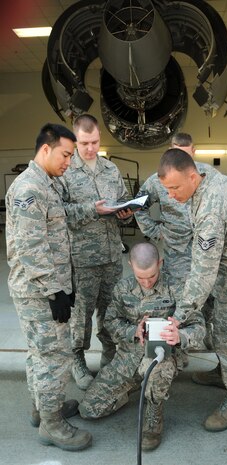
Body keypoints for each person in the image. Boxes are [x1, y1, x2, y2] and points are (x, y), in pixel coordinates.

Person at [157, 148, 227, 432]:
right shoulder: (199, 174)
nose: (171, 196)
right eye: (167, 189)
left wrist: (179, 316)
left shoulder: (212, 209)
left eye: (175, 188)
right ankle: (222, 372)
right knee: (216, 328)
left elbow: (203, 271)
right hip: (220, 271)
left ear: (193, 177)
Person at [5, 123, 92, 451]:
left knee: (39, 354)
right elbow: (31, 249)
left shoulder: (47, 183)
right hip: (40, 291)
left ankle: (42, 408)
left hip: (45, 286)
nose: (70, 161)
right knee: (53, 356)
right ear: (46, 149)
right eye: (66, 154)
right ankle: (52, 425)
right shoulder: (30, 188)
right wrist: (55, 292)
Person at [78, 242, 205, 450]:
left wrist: (180, 335)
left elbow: (199, 326)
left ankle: (154, 415)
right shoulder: (122, 288)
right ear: (130, 265)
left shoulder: (177, 288)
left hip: (164, 356)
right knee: (89, 410)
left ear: (160, 264)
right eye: (140, 277)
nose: (147, 283)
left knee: (156, 371)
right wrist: (132, 331)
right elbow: (110, 321)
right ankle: (133, 386)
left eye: (152, 276)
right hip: (128, 358)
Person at [56, 114, 133, 390]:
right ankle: (77, 359)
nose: (91, 148)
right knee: (81, 315)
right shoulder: (65, 171)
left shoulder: (111, 169)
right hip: (82, 260)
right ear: (75, 141)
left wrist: (125, 213)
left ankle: (109, 357)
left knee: (111, 311)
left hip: (112, 256)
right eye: (85, 143)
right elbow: (59, 213)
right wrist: (92, 209)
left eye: (95, 142)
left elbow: (123, 203)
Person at [135, 132, 216, 352]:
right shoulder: (157, 181)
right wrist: (153, 230)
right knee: (180, 297)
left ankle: (204, 332)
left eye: (184, 154)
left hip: (205, 248)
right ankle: (182, 340)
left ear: (193, 152)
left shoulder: (204, 175)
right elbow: (138, 204)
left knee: (209, 295)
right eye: (175, 152)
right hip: (176, 251)